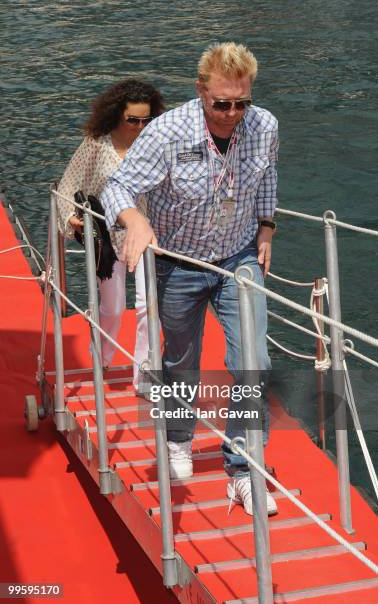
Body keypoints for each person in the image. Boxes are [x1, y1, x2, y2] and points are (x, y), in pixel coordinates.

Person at [101, 42, 279, 516]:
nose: (232, 113)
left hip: (236, 257)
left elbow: (267, 177)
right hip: (177, 262)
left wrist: (266, 227)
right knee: (182, 358)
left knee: (254, 359)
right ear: (201, 91)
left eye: (242, 102)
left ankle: (243, 469)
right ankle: (179, 438)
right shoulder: (166, 133)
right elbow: (117, 186)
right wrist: (135, 221)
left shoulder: (264, 127)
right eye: (222, 103)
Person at [57, 79, 165, 392]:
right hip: (107, 239)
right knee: (113, 308)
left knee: (149, 305)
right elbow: (69, 186)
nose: (140, 126)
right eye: (133, 120)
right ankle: (100, 360)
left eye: (147, 119)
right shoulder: (96, 144)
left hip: (146, 235)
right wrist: (71, 219)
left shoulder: (155, 142)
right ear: (117, 115)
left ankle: (144, 375)